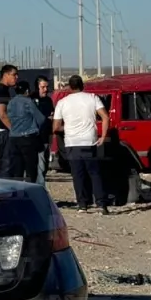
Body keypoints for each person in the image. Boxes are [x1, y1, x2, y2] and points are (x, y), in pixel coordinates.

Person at [52, 75, 111, 214]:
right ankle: (101, 204)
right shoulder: (92, 98)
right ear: (82, 85)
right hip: (90, 141)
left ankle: (82, 204)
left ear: (69, 87)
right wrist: (103, 136)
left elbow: (55, 127)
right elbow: (105, 117)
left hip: (72, 143)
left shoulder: (62, 102)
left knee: (78, 175)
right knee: (95, 173)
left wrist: (67, 128)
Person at [5, 80, 46, 183]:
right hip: (28, 138)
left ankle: (18, 192)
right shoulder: (28, 101)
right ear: (27, 90)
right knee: (31, 169)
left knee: (17, 169)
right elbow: (40, 119)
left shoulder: (11, 102)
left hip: (14, 138)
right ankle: (29, 190)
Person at [0, 65, 19, 177]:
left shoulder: (5, 90)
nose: (16, 77)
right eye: (14, 74)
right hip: (2, 130)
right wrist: (14, 130)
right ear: (5, 75)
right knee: (7, 163)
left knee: (9, 162)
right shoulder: (0, 90)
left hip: (3, 130)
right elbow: (2, 114)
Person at [33, 75, 55, 186]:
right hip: (36, 138)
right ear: (37, 87)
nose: (45, 90)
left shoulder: (48, 100)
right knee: (40, 166)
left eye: (47, 87)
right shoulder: (31, 100)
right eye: (43, 87)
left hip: (46, 137)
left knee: (45, 165)